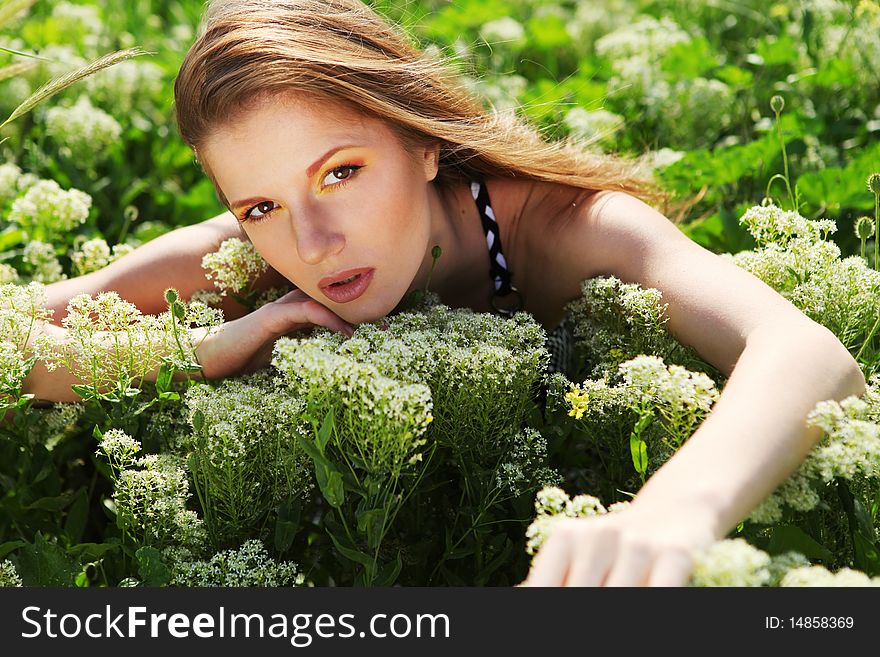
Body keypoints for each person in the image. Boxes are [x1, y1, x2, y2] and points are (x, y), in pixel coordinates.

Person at [25, 0, 865, 586]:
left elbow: (807, 353)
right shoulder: (244, 261)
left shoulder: (565, 227)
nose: (311, 244)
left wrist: (668, 514)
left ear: (423, 143)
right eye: (261, 204)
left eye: (341, 172)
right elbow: (9, 343)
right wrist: (196, 352)